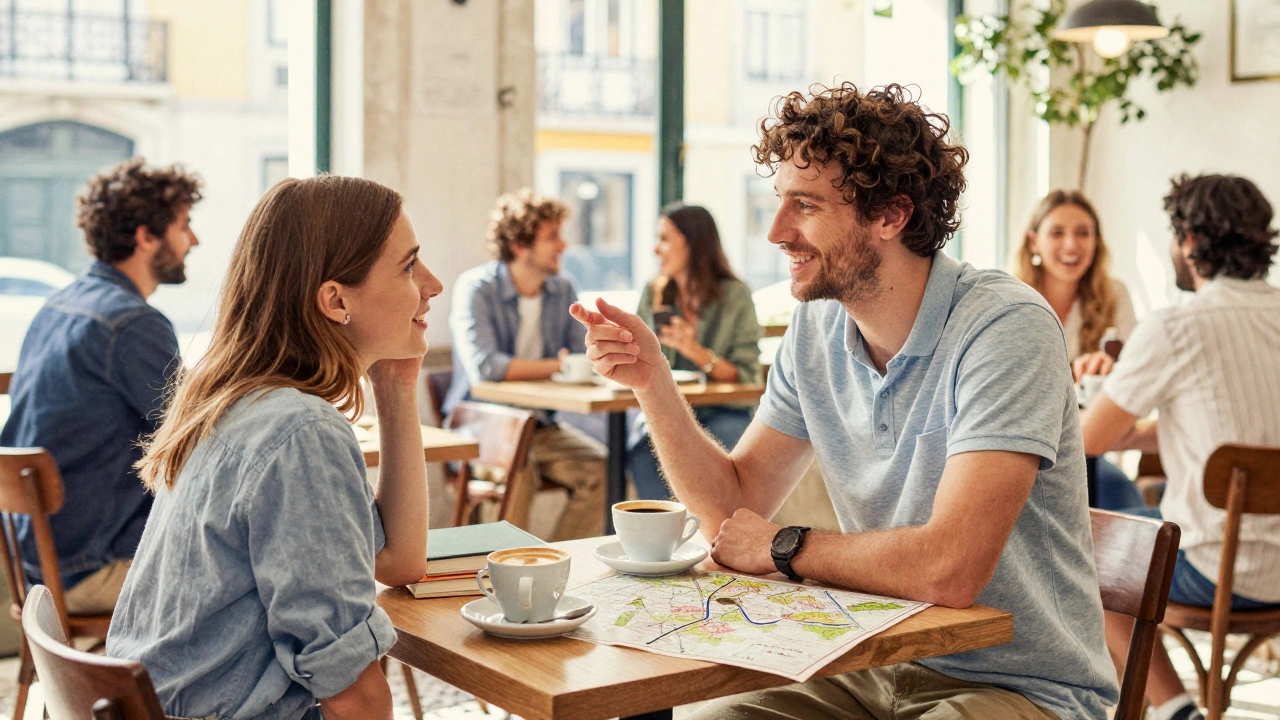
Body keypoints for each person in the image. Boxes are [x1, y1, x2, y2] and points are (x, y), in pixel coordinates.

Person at [571, 83, 1117, 719]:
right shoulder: (818, 326)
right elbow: (734, 510)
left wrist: (785, 548)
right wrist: (653, 382)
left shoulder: (1005, 327)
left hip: (1021, 686)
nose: (776, 232)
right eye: (779, 202)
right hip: (869, 659)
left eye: (804, 205)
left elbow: (951, 569)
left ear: (891, 215)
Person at [106, 176, 437, 720]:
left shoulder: (239, 398)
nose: (434, 284)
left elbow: (399, 560)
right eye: (409, 266)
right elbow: (352, 691)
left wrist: (396, 386)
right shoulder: (301, 431)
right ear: (334, 300)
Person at [1081, 173, 1280, 720]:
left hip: (1219, 572)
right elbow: (1241, 438)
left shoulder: (1176, 326)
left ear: (1190, 239)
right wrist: (1149, 430)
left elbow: (1086, 442)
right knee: (1139, 513)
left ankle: (1175, 709)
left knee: (1086, 555)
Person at [0, 158, 201, 615]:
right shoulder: (131, 324)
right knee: (254, 574)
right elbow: (200, 438)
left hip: (38, 565)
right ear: (146, 235)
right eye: (184, 226)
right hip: (94, 567)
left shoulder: (59, 305)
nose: (193, 241)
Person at [446, 188, 607, 540]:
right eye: (552, 236)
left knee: (601, 470)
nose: (563, 245)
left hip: (540, 425)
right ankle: (508, 572)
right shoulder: (477, 288)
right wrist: (556, 365)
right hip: (483, 427)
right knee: (522, 470)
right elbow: (486, 368)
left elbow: (580, 358)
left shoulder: (562, 290)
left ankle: (560, 565)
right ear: (519, 245)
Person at [1014, 189, 1141, 509]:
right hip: (1021, 451)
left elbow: (1135, 381)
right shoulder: (1010, 299)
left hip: (1086, 454)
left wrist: (1110, 370)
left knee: (1125, 504)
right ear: (1033, 242)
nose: (1071, 245)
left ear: (1097, 241)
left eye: (1083, 233)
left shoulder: (1114, 294)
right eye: (1057, 233)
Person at [627, 203, 762, 499]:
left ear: (694, 243)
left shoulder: (735, 296)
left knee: (723, 442)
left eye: (665, 239)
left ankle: (711, 535)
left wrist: (695, 351)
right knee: (641, 452)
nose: (655, 249)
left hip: (723, 411)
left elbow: (748, 377)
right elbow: (637, 359)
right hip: (667, 413)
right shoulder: (655, 293)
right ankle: (666, 540)